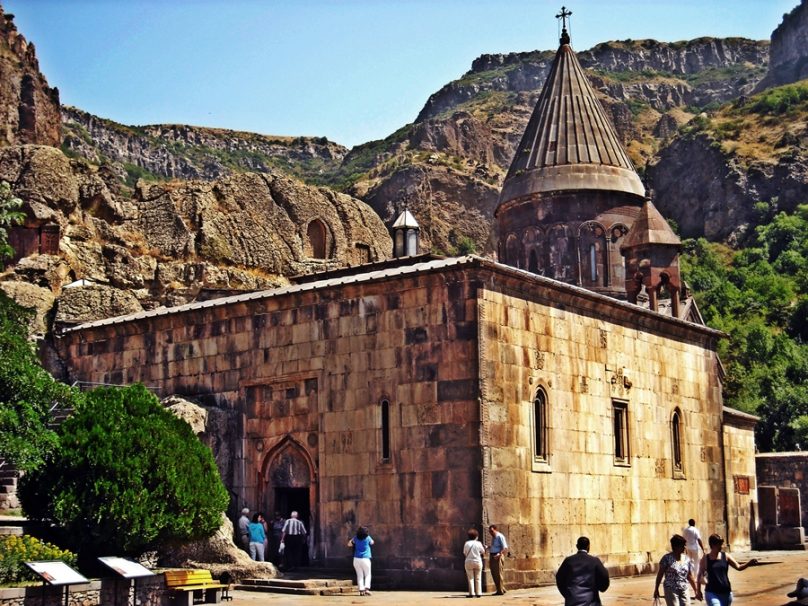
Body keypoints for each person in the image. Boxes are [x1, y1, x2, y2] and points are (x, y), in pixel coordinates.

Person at [697, 533, 758, 606]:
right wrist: (698, 591)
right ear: (712, 545)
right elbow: (699, 575)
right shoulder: (705, 559)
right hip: (711, 592)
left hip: (726, 593)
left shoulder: (725, 556)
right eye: (719, 544)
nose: (721, 546)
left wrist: (749, 563)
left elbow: (738, 567)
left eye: (721, 544)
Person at [556, 536, 610, 606]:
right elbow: (604, 577)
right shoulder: (594, 561)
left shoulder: (568, 561)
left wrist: (568, 594)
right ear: (588, 546)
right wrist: (601, 588)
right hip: (591, 602)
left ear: (577, 546)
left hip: (572, 601)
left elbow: (559, 578)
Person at [653, 534, 699, 606]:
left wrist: (696, 590)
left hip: (684, 589)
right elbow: (660, 574)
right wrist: (656, 589)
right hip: (671, 590)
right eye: (682, 545)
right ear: (676, 547)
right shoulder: (666, 558)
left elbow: (689, 576)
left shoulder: (686, 559)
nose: (684, 548)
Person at [348, 526, 375, 596]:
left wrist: (352, 541)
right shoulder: (368, 538)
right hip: (366, 559)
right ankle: (366, 589)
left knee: (359, 575)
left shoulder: (355, 538)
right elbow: (372, 542)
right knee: (368, 574)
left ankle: (361, 590)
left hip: (356, 559)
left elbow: (349, 544)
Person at [462, 528, 485, 598]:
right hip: (477, 561)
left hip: (468, 561)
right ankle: (479, 593)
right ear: (476, 536)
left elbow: (464, 553)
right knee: (478, 578)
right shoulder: (479, 543)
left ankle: (471, 593)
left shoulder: (466, 543)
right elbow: (483, 551)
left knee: (470, 578)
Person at [487, 524, 509, 595]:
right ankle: (501, 588)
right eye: (490, 531)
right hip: (492, 555)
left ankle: (500, 591)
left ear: (495, 530)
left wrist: (499, 554)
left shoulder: (500, 536)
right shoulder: (494, 537)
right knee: (494, 573)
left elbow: (505, 547)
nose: (491, 533)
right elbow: (495, 546)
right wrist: (488, 547)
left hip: (497, 555)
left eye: (492, 531)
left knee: (498, 574)